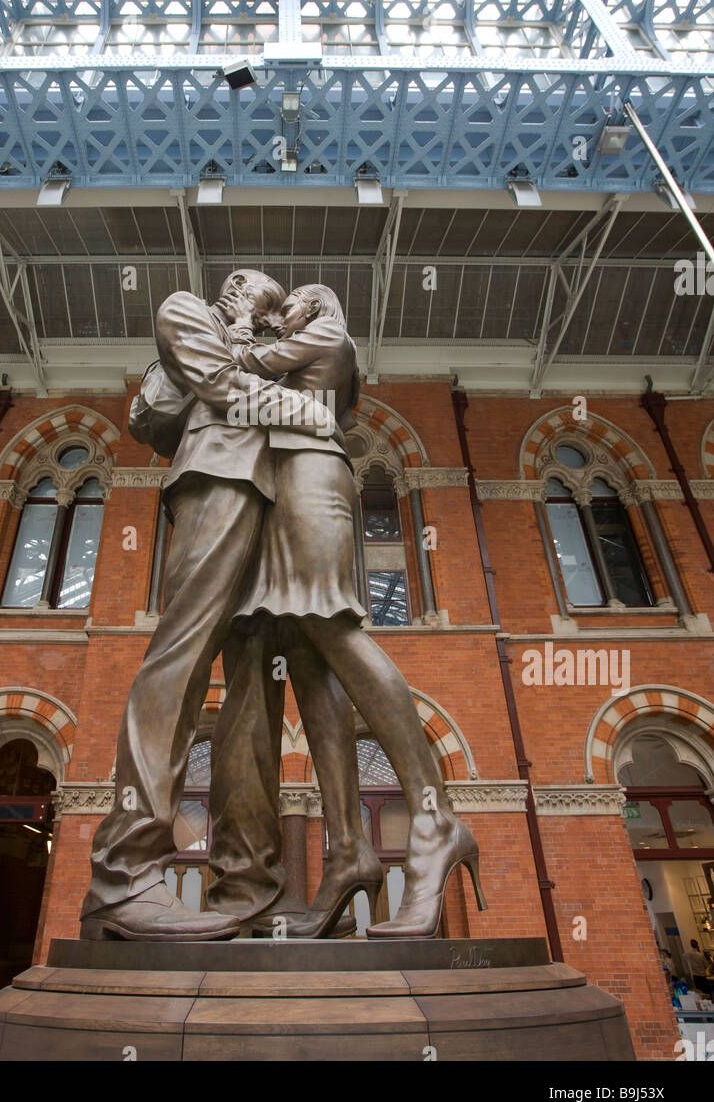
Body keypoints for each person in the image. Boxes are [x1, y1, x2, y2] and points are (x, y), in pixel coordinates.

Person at [209, 283, 485, 938]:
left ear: (320, 304)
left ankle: (434, 819)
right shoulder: (309, 351)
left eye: (293, 301)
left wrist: (233, 326)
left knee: (331, 623)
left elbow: (234, 370)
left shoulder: (326, 336)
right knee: (308, 648)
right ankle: (347, 851)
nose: (284, 312)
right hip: (288, 486)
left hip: (311, 481)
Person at [80, 270, 340, 940]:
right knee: (180, 659)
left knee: (256, 692)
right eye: (257, 287)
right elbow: (163, 412)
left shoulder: (284, 344)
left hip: (283, 506)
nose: (267, 301)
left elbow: (337, 390)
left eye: (277, 298)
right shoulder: (185, 311)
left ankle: (248, 885)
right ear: (231, 287)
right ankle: (124, 873)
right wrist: (289, 400)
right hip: (218, 479)